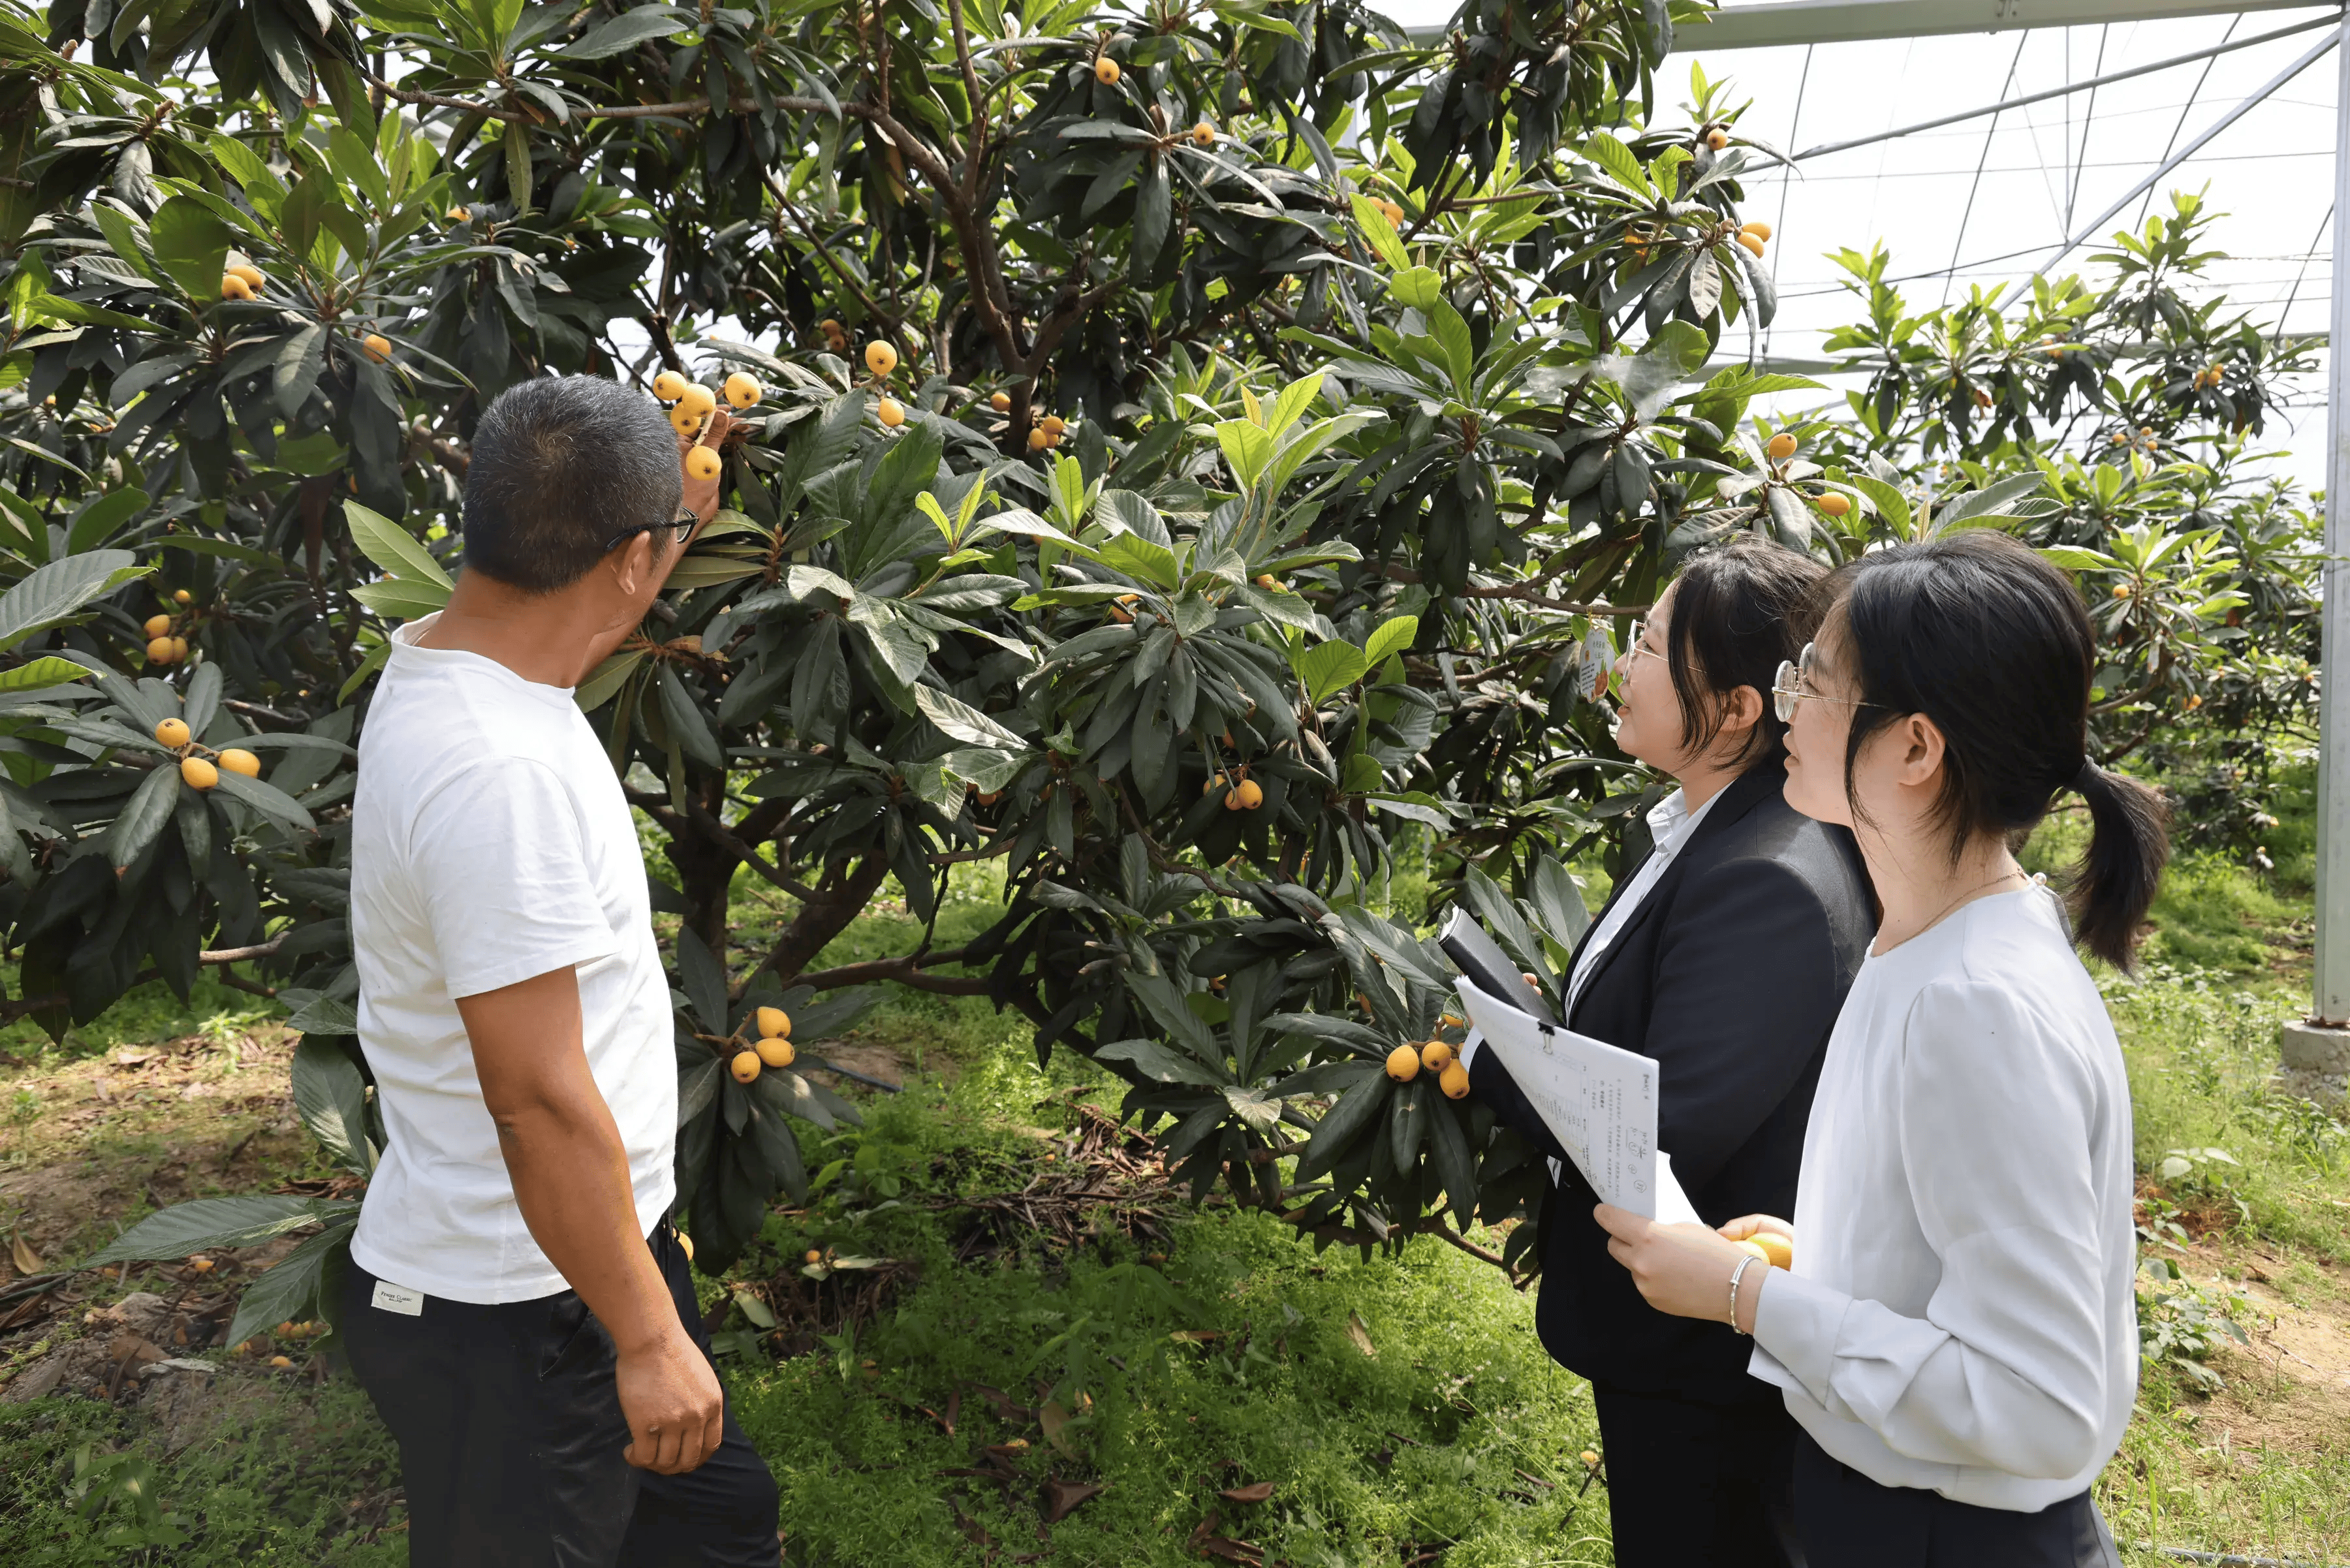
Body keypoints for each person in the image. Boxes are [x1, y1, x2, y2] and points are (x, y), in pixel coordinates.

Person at [1593, 529, 2164, 1568]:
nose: (1787, 706)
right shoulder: (1933, 940)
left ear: (1914, 747)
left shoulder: (1975, 1003)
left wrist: (1744, 1294)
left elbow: (2038, 1402)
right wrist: (1829, 1261)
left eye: (1812, 680)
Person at [337, 375, 781, 1565]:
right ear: (627, 557)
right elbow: (532, 1100)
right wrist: (645, 1336)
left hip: (584, 1258)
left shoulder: (459, 661)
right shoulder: (498, 775)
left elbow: (574, 629)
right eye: (661, 549)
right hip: (520, 1308)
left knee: (722, 1522)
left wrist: (671, 515)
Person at [1464, 536, 1875, 1568]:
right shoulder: (1706, 826)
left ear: (1736, 708)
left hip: (1706, 1360)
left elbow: (1666, 1129)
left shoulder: (1768, 876)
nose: (1623, 663)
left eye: (1648, 644)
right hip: (1685, 1340)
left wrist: (1500, 1053)